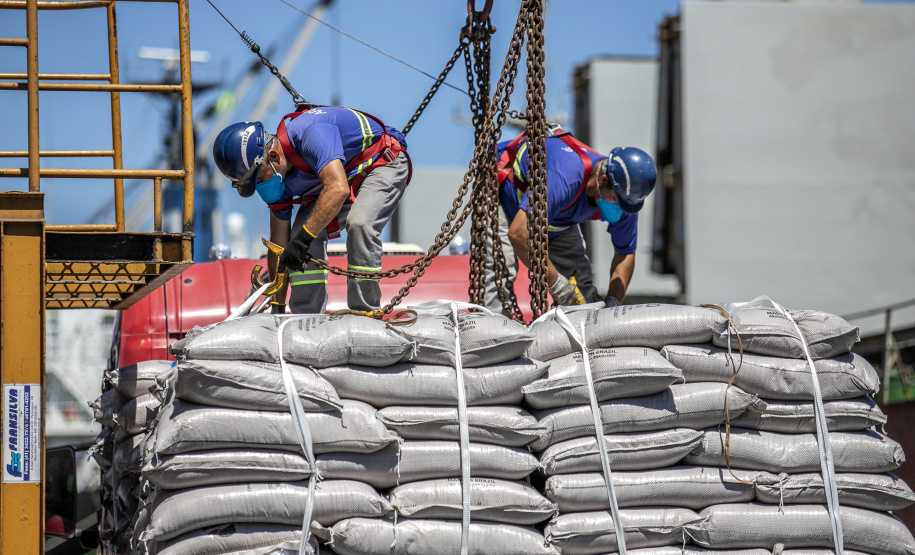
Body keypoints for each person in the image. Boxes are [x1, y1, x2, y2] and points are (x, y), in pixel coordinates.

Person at [213, 104, 411, 314]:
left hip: (382, 162)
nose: (261, 186)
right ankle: (305, 315)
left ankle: (365, 311)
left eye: (259, 179)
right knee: (299, 235)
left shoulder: (310, 133)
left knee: (359, 223)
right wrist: (277, 305)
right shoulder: (278, 181)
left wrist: (302, 240)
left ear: (273, 156)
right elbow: (279, 246)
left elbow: (338, 188)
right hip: (344, 178)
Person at [484, 131, 657, 313]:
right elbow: (519, 233)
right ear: (603, 180)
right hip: (504, 193)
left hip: (557, 216)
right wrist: (555, 283)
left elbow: (625, 254)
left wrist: (614, 300)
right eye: (615, 199)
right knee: (500, 276)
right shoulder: (566, 178)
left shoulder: (626, 199)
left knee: (582, 293)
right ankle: (493, 330)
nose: (620, 210)